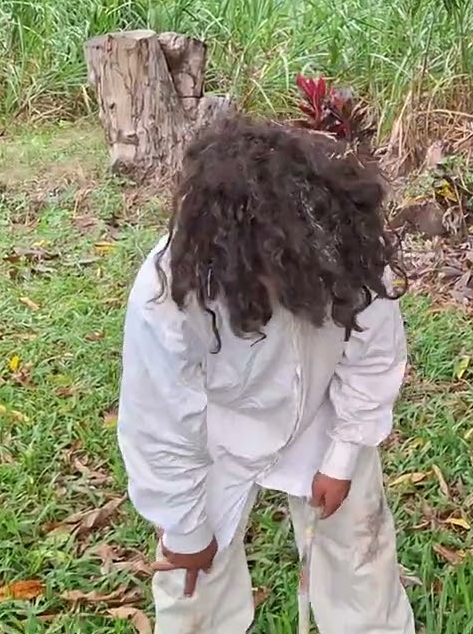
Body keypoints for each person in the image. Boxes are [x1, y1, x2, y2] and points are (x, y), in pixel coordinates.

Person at [116, 117, 416, 634]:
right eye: (277, 258)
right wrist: (187, 532)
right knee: (192, 588)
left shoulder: (344, 245)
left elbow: (373, 354)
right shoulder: (168, 292)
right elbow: (159, 419)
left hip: (322, 412)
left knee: (362, 565)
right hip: (218, 433)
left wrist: (343, 456)